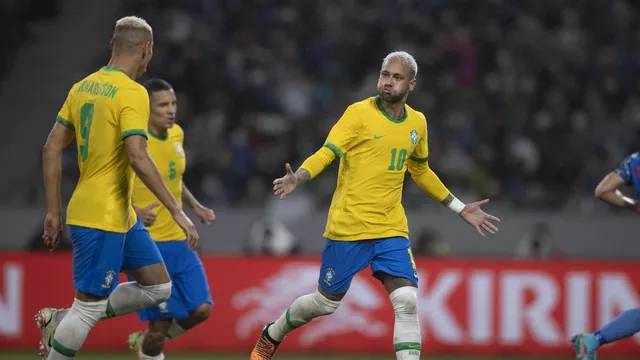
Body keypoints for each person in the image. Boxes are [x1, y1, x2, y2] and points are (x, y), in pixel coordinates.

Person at [250, 51, 500, 360]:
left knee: (407, 300)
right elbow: (327, 152)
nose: (388, 82)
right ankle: (273, 332)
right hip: (348, 227)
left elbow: (420, 170)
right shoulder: (358, 114)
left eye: (397, 77)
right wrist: (299, 178)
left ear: (412, 84)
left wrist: (460, 208)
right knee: (325, 304)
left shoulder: (418, 123)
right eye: (385, 74)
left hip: (390, 227)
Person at [38, 16, 199, 360]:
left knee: (158, 286)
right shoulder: (132, 93)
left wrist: (53, 211)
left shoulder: (82, 87)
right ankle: (67, 323)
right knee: (87, 308)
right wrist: (176, 210)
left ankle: (62, 319)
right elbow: (139, 156)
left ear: (113, 44)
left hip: (119, 214)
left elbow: (51, 146)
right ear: (146, 50)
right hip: (101, 217)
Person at [125, 78, 215, 360]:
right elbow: (113, 185)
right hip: (148, 246)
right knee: (159, 326)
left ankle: (148, 342)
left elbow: (173, 179)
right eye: (163, 104)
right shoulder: (135, 143)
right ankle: (151, 343)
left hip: (179, 241)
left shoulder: (177, 134)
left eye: (173, 103)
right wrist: (134, 211)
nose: (171, 109)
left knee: (202, 310)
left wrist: (195, 206)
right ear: (147, 108)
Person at [572, 152, 640, 359]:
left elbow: (603, 190)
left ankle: (593, 340)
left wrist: (634, 204)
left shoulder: (635, 161)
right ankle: (593, 340)